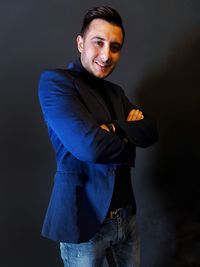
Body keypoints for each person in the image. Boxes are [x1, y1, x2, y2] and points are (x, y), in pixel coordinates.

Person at [38, 6, 158, 267]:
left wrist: (113, 129)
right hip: (84, 222)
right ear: (80, 42)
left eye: (114, 47)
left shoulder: (116, 92)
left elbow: (150, 132)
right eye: (98, 43)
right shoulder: (56, 83)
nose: (106, 55)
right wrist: (128, 135)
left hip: (126, 218)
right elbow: (90, 148)